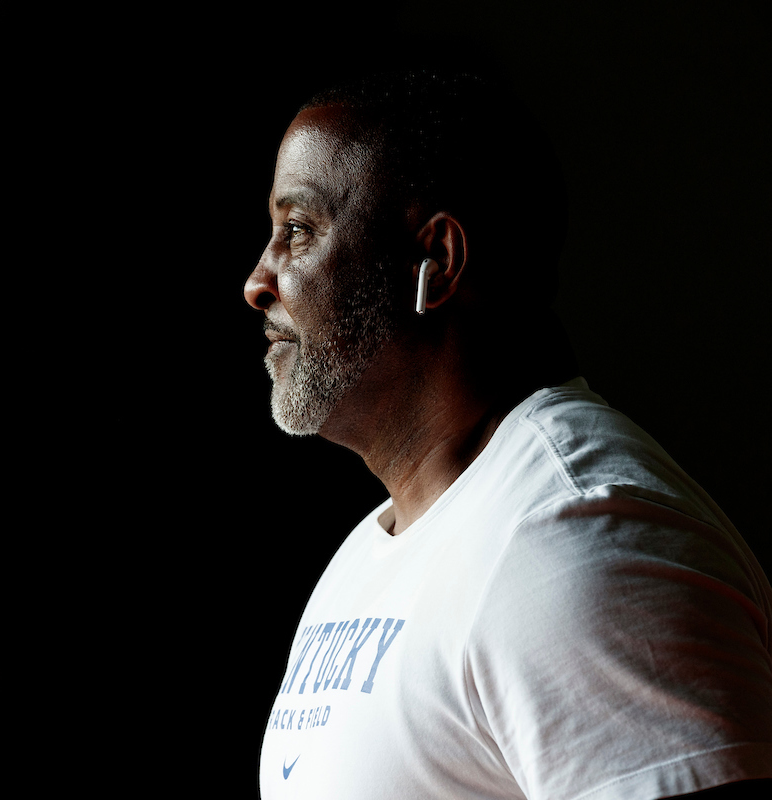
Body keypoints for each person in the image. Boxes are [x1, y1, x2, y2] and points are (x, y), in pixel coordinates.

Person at [245, 70, 772, 799]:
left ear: (436, 261)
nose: (258, 281)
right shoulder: (380, 548)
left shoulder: (572, 540)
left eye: (298, 231)